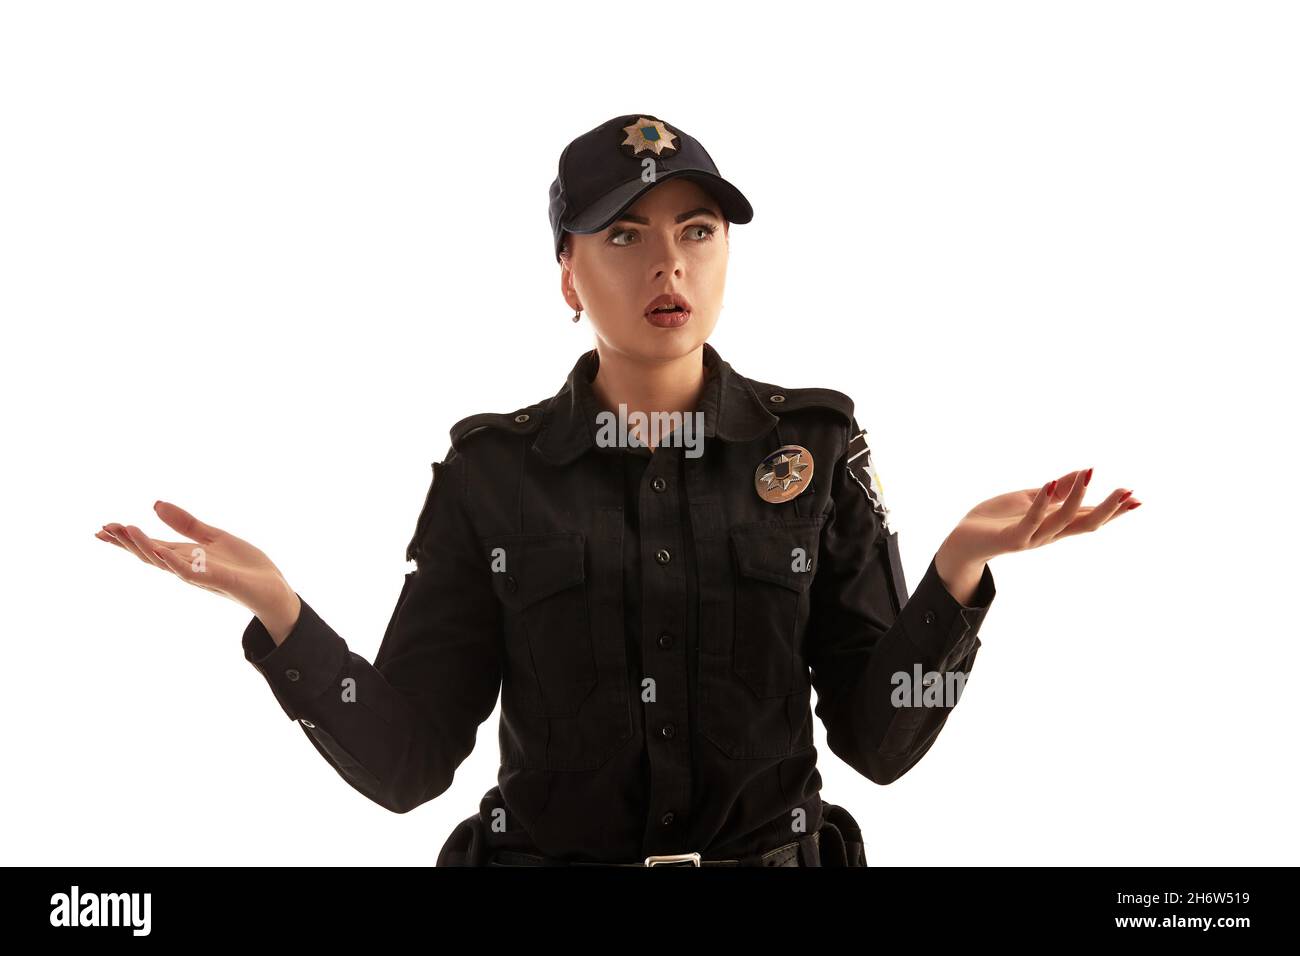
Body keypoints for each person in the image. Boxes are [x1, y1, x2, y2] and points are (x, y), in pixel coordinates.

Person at [95, 113, 1141, 867]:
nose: (666, 265)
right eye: (624, 234)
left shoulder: (815, 451)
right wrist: (281, 613)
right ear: (566, 272)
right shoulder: (491, 478)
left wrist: (956, 576)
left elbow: (878, 740)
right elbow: (409, 761)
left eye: (696, 230)